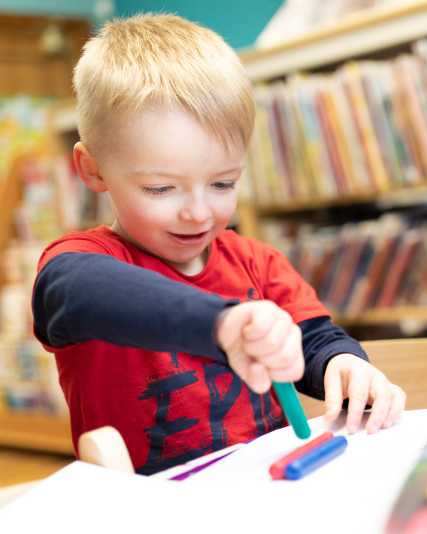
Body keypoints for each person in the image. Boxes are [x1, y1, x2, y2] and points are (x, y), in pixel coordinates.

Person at [32, 14, 405, 474]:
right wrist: (220, 325)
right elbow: (69, 290)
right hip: (154, 517)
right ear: (93, 170)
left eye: (223, 183)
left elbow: (311, 339)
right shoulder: (87, 263)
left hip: (266, 490)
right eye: (161, 189)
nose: (199, 213)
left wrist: (342, 363)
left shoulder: (256, 263)